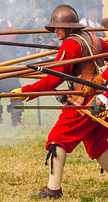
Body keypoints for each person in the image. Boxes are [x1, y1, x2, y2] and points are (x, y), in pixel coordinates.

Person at [11, 5, 108, 199]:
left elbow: (54, 78)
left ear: (68, 27)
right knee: (97, 144)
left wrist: (27, 91)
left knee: (58, 138)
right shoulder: (93, 37)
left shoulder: (71, 44)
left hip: (84, 101)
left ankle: (53, 188)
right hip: (96, 99)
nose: (55, 31)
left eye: (58, 27)